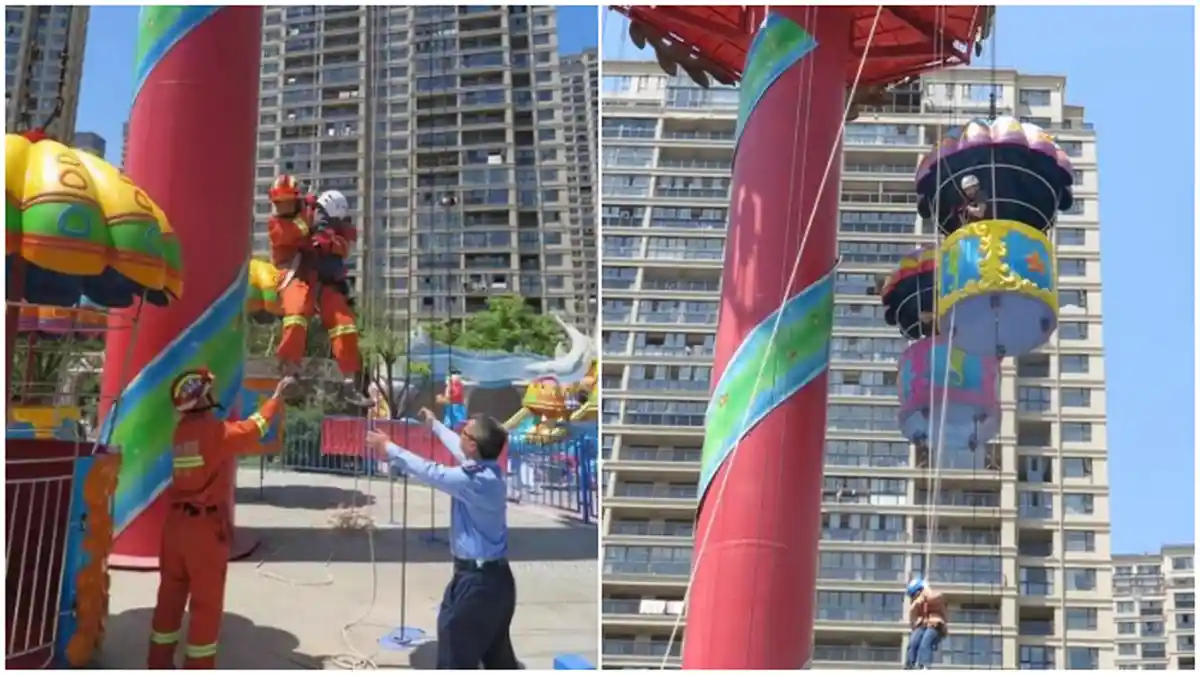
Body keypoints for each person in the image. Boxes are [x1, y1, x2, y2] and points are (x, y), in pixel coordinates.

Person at [147, 370, 295, 669]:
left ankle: (158, 663)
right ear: (203, 398)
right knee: (206, 606)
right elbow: (253, 429)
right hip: (203, 530)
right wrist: (276, 398)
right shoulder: (214, 433)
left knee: (170, 598)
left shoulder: (181, 433)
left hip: (174, 528)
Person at [365, 408, 520, 670]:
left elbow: (433, 472)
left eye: (465, 432)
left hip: (479, 584)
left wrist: (390, 448)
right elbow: (458, 450)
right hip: (489, 581)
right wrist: (434, 425)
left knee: (455, 651)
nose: (460, 434)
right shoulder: (486, 470)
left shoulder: (475, 480)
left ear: (473, 444)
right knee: (495, 654)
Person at [266, 175, 371, 407]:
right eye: (278, 202)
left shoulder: (322, 217)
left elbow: (344, 248)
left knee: (344, 322)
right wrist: (314, 220)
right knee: (296, 312)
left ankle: (349, 381)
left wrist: (329, 238)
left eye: (286, 202)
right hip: (295, 273)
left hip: (321, 277)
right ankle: (290, 371)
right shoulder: (277, 224)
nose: (281, 206)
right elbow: (295, 232)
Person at [905, 576, 948, 669]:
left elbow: (938, 598)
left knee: (925, 643)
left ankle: (923, 665)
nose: (915, 597)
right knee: (913, 642)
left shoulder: (933, 596)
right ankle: (909, 666)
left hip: (935, 625)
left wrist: (925, 594)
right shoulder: (916, 604)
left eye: (916, 594)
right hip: (922, 625)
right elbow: (912, 615)